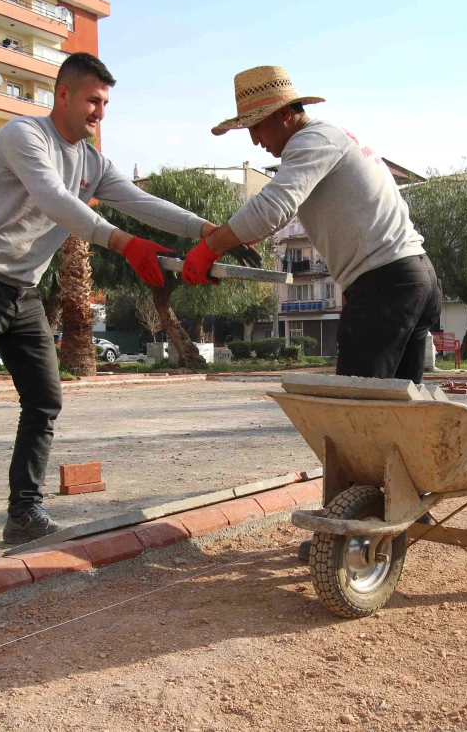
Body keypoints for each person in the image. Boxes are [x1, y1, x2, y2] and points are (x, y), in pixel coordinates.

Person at [0, 52, 216, 567]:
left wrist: (209, 232)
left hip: (22, 291)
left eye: (106, 103)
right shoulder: (24, 137)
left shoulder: (92, 161)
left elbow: (140, 202)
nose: (99, 112)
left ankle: (23, 513)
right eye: (92, 99)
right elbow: (54, 199)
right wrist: (123, 243)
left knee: (44, 400)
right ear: (62, 94)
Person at [185, 66, 440, 559]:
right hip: (408, 277)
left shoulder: (311, 140)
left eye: (256, 126)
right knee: (395, 419)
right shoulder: (331, 138)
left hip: (387, 284)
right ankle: (401, 519)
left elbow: (272, 209)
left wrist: (210, 247)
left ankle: (350, 540)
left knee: (355, 425)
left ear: (284, 115)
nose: (255, 139)